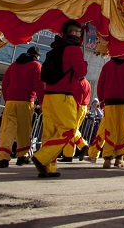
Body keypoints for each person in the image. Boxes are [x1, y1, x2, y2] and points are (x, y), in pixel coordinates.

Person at [32, 20, 88, 179]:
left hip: (49, 94)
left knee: (50, 132)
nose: (78, 35)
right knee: (69, 129)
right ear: (72, 33)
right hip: (64, 95)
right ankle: (42, 157)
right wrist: (84, 62)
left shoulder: (54, 49)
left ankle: (48, 168)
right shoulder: (73, 49)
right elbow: (81, 72)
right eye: (76, 32)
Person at [0, 46, 44, 168]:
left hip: (10, 102)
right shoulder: (35, 65)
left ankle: (3, 157)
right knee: (23, 130)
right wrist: (42, 101)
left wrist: (7, 98)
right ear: (37, 56)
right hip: (26, 101)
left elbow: (5, 82)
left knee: (7, 129)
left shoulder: (13, 65)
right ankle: (22, 156)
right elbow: (38, 84)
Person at [87, 54, 124, 168]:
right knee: (123, 130)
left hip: (110, 101)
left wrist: (101, 99)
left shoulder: (108, 65)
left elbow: (101, 83)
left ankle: (107, 158)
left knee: (110, 129)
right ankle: (119, 158)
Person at [60, 76, 91, 163]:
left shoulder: (79, 83)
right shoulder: (86, 82)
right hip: (83, 107)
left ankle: (69, 154)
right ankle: (81, 146)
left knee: (71, 130)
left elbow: (78, 98)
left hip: (78, 107)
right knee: (73, 130)